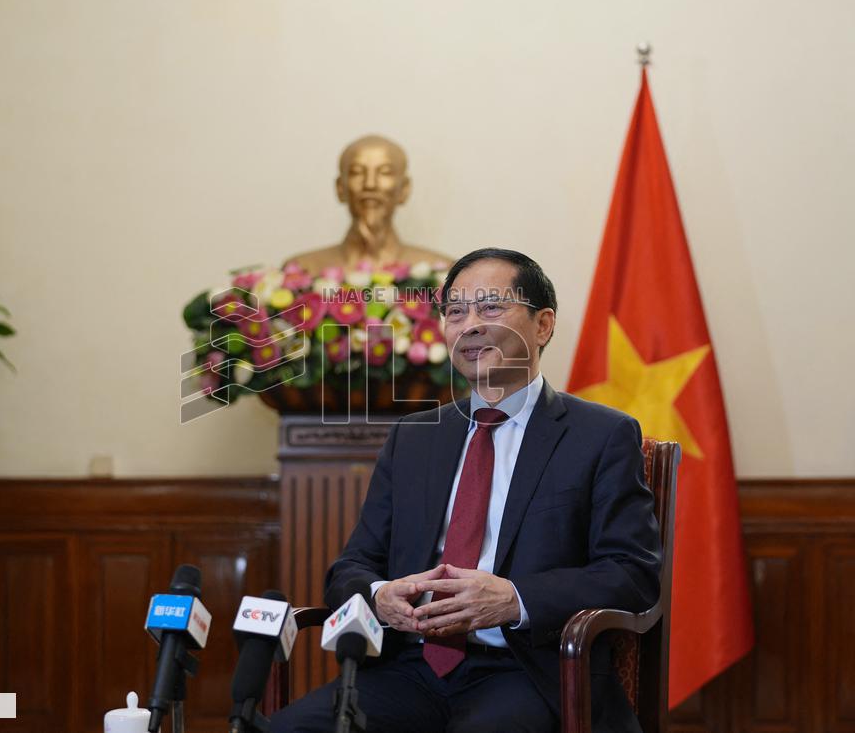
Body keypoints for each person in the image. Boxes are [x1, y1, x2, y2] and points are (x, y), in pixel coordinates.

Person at [271, 248, 662, 733]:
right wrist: (379, 594)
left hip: (528, 673)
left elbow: (632, 575)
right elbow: (351, 566)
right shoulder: (414, 437)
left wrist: (515, 598)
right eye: (456, 312)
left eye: (491, 307)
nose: (470, 324)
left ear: (542, 326)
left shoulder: (599, 436)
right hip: (406, 670)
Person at [284, 134, 452, 272]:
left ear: (404, 190)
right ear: (340, 188)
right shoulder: (302, 270)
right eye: (357, 172)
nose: (370, 184)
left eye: (385, 172)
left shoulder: (441, 271)